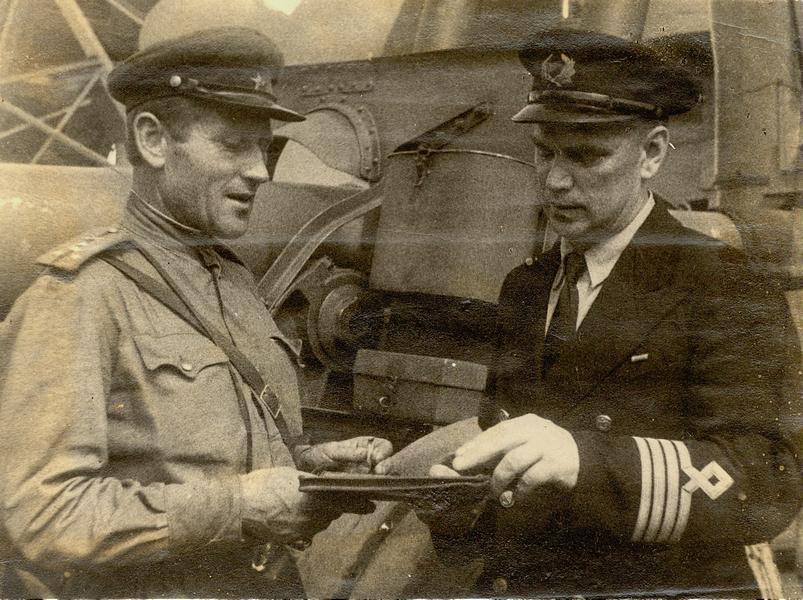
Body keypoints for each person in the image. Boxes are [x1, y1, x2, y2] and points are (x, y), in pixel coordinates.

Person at [0, 26, 391, 598]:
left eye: (265, 149)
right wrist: (239, 507)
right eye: (233, 146)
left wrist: (310, 467)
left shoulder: (232, 280)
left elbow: (208, 458)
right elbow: (43, 516)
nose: (260, 171)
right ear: (153, 140)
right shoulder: (83, 294)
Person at [411, 29, 802, 598]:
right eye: (544, 151)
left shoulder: (722, 285)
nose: (555, 180)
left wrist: (586, 461)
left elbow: (766, 483)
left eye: (587, 155)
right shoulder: (526, 287)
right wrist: (458, 510)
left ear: (652, 153)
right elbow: (509, 481)